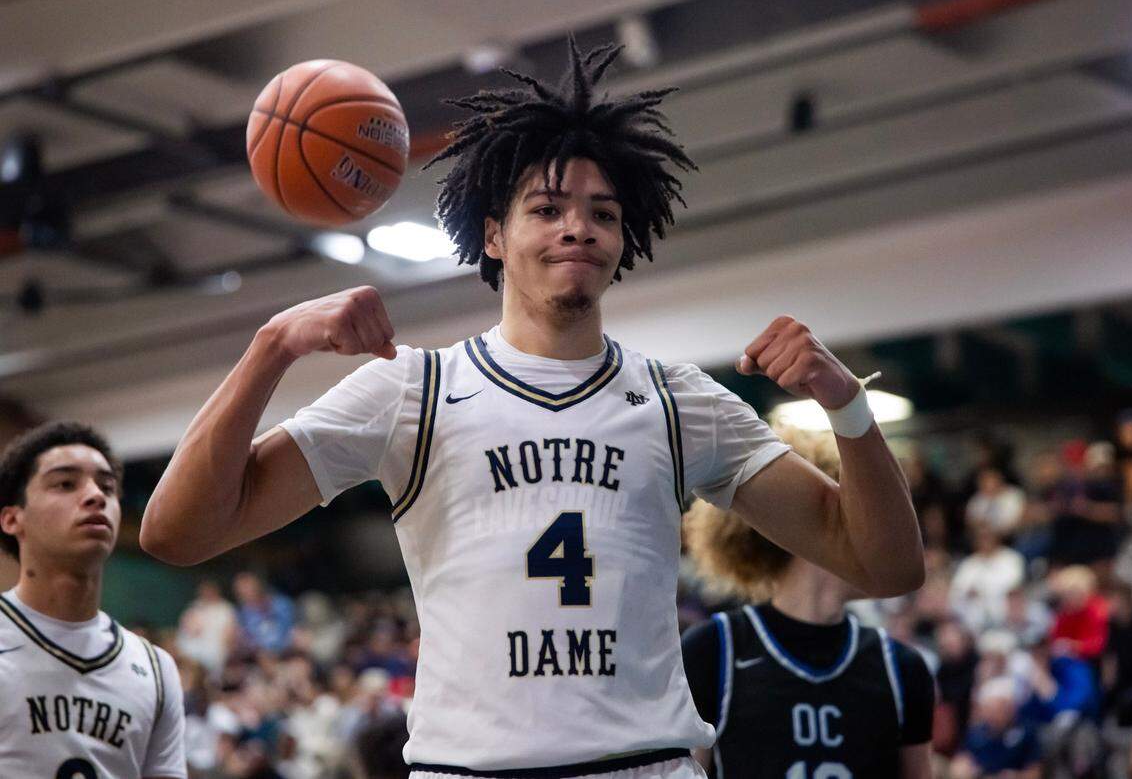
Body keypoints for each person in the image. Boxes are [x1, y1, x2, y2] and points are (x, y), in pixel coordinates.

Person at [141, 38, 923, 775]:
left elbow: (885, 563)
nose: (578, 226)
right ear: (492, 234)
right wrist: (274, 344)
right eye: (547, 208)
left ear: (626, 239)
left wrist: (846, 405)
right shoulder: (413, 389)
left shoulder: (679, 398)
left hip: (643, 760)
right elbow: (178, 531)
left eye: (603, 212)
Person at [682, 426, 934, 778]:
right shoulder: (712, 651)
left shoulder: (902, 668)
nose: (883, 542)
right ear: (823, 520)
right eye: (867, 524)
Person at [0, 421, 186, 779]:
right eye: (66, 484)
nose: (95, 496)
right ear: (12, 519)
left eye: (107, 486)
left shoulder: (156, 669)